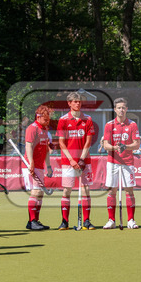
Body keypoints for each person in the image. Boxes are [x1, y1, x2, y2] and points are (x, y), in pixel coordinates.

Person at [56, 91, 97, 229]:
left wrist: (81, 159)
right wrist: (72, 161)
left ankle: (86, 221)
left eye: (79, 101)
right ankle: (64, 221)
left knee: (86, 190)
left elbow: (88, 142)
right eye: (75, 101)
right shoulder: (63, 120)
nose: (78, 103)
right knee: (67, 191)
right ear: (69, 103)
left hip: (84, 161)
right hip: (68, 162)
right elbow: (61, 143)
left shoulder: (88, 119)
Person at [101, 97, 141, 229]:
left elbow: (136, 144)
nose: (121, 110)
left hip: (128, 162)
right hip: (113, 162)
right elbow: (106, 145)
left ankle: (131, 220)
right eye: (119, 108)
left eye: (123, 107)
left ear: (127, 109)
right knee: (112, 191)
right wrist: (115, 148)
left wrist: (125, 147)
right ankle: (111, 220)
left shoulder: (132, 125)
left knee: (129, 191)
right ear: (115, 109)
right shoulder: (109, 125)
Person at [23, 104, 53, 231]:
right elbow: (28, 146)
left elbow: (46, 149)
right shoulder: (32, 128)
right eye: (45, 118)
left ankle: (35, 220)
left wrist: (49, 166)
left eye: (49, 118)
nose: (48, 121)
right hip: (31, 165)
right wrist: (31, 163)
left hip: (40, 166)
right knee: (35, 192)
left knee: (40, 194)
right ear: (38, 116)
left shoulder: (45, 130)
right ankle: (32, 220)